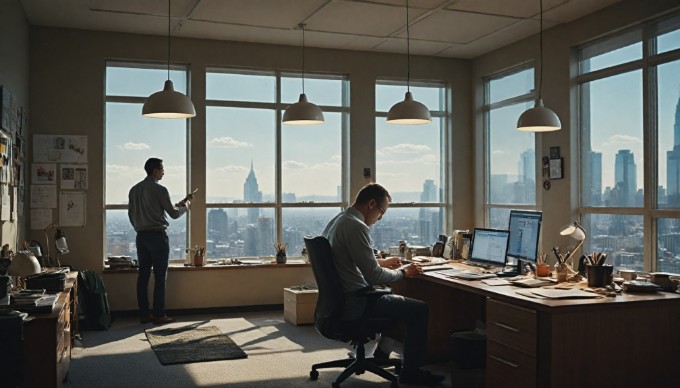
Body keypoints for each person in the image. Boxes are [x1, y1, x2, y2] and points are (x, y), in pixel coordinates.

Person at [322, 183, 445, 386]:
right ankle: (411, 373)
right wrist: (403, 272)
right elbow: (374, 277)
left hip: (341, 299)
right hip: (356, 301)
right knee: (419, 309)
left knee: (394, 295)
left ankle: (382, 354)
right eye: (382, 211)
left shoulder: (340, 219)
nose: (380, 218)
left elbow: (346, 259)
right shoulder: (357, 226)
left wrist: (381, 262)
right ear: (371, 204)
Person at [128, 158, 192, 325]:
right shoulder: (160, 189)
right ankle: (159, 314)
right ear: (155, 171)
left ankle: (144, 314)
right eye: (162, 169)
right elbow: (174, 214)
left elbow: (131, 214)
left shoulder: (134, 190)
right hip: (157, 237)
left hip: (141, 237)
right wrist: (186, 206)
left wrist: (139, 227)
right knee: (160, 276)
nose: (164, 172)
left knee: (142, 276)